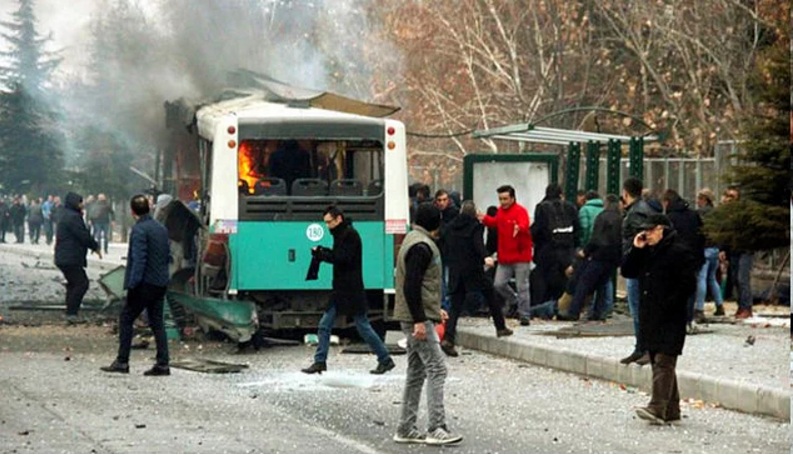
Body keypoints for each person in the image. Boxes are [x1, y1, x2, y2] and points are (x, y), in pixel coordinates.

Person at [392, 202, 462, 446]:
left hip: (412, 316)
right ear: (436, 223)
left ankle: (406, 427)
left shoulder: (412, 240)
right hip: (415, 320)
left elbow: (419, 286)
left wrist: (433, 310)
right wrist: (421, 319)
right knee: (437, 368)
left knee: (416, 372)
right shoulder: (422, 247)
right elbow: (412, 285)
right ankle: (437, 427)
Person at [621, 213, 698, 425]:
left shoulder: (678, 251)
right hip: (651, 315)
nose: (646, 234)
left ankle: (656, 407)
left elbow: (688, 284)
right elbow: (628, 271)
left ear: (661, 229)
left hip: (670, 315)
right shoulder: (647, 251)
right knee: (658, 358)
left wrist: (670, 304)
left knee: (664, 360)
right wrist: (636, 249)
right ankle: (671, 408)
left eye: (650, 230)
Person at [301, 206, 396, 375]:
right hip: (344, 289)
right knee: (329, 325)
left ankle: (385, 359)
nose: (327, 226)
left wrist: (322, 255)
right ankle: (320, 361)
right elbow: (340, 256)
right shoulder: (344, 233)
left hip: (349, 290)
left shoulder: (349, 235)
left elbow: (342, 258)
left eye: (329, 222)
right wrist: (323, 252)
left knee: (361, 326)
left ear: (338, 219)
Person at [101, 195, 171, 376]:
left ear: (133, 212)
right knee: (157, 322)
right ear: (148, 208)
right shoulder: (161, 229)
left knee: (126, 318)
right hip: (160, 282)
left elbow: (139, 260)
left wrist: (132, 285)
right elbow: (167, 256)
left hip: (144, 284)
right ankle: (163, 363)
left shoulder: (139, 230)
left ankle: (122, 361)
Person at [440, 200, 512, 357]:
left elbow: (444, 243)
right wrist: (486, 256)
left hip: (455, 270)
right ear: (473, 213)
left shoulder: (451, 226)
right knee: (490, 295)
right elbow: (478, 243)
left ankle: (448, 338)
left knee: (455, 306)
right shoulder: (475, 226)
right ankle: (500, 327)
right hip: (473, 269)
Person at [558, 194, 622, 321]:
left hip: (599, 255)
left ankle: (573, 312)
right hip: (613, 258)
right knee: (602, 285)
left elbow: (596, 238)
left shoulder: (602, 217)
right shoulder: (620, 218)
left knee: (584, 283)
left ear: (606, 203)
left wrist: (586, 251)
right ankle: (599, 312)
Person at [479, 185, 533, 326]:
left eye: (505, 199)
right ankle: (515, 300)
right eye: (501, 199)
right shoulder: (501, 212)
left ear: (513, 198)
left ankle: (524, 315)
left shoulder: (520, 211)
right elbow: (495, 222)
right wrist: (484, 218)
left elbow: (524, 223)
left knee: (522, 286)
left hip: (520, 255)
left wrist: (519, 228)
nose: (502, 202)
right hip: (505, 255)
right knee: (498, 284)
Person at [620, 177, 658, 365]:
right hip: (640, 267)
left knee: (639, 310)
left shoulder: (635, 213)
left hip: (637, 268)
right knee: (639, 309)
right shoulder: (644, 209)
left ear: (626, 193)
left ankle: (644, 348)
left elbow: (641, 240)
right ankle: (641, 347)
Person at [54, 192, 101, 323]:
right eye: (80, 202)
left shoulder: (65, 214)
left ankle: (70, 311)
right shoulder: (73, 217)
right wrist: (95, 246)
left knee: (73, 283)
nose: (82, 205)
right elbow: (83, 235)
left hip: (64, 256)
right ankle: (71, 313)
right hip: (70, 256)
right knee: (82, 283)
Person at [530, 184, 580, 305]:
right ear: (560, 194)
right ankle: (560, 307)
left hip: (546, 251)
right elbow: (577, 230)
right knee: (562, 282)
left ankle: (542, 307)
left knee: (543, 280)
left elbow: (537, 230)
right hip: (567, 251)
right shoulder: (571, 207)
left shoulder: (542, 207)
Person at [718, 186, 754, 319]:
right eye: (727, 196)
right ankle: (741, 306)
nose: (728, 199)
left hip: (744, 249)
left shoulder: (743, 214)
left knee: (742, 278)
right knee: (735, 279)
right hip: (733, 249)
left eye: (732, 197)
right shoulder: (725, 214)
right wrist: (722, 249)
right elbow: (724, 232)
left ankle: (747, 307)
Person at [694, 188, 724, 318]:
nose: (697, 201)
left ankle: (699, 308)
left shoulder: (699, 213)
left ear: (704, 199)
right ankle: (720, 305)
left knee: (701, 278)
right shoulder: (717, 214)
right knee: (712, 279)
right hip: (715, 249)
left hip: (705, 248)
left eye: (699, 199)